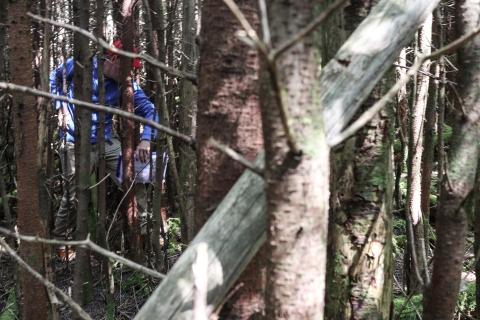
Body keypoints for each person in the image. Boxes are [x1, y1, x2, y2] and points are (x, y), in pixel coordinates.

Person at [50, 41, 156, 259]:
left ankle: (144, 233)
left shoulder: (126, 84)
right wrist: (60, 106)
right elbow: (55, 76)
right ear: (115, 60)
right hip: (73, 141)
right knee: (73, 195)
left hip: (105, 141)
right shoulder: (81, 64)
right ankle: (61, 242)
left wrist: (146, 139)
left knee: (134, 178)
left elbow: (150, 109)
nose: (132, 75)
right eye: (130, 68)